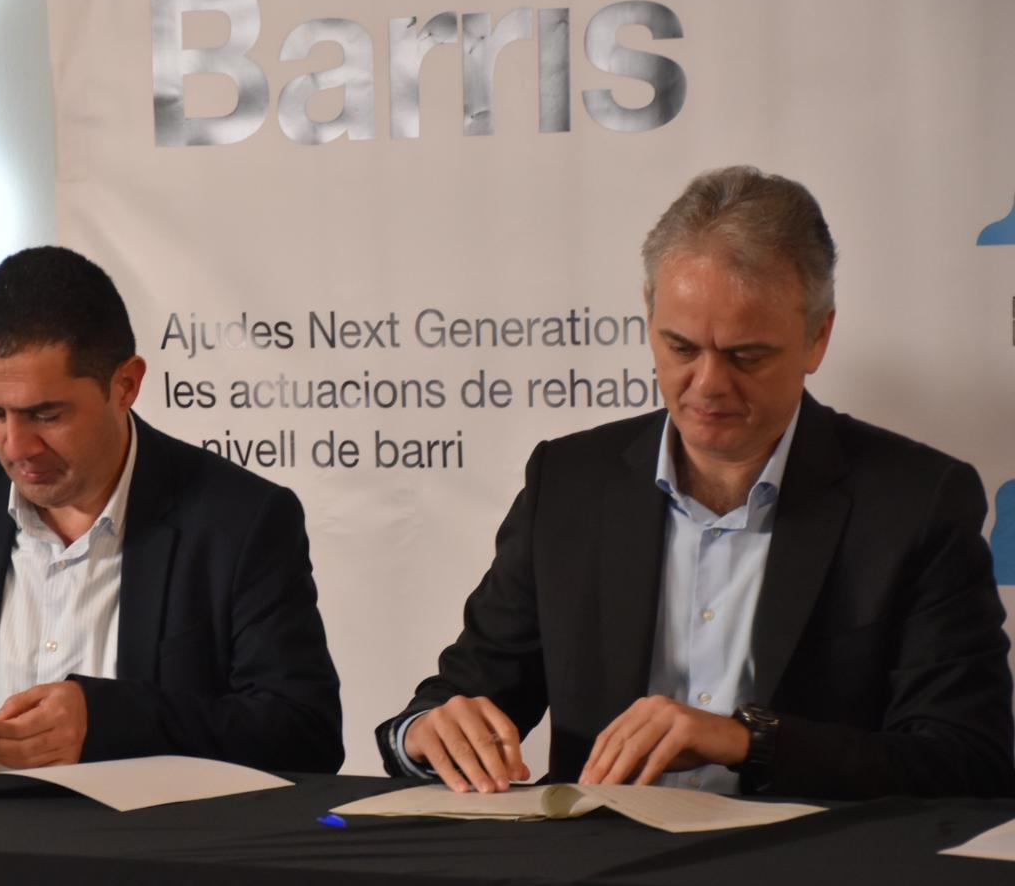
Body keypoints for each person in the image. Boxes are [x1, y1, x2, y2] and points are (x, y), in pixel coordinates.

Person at [378, 166, 1015, 799]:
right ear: (648, 316)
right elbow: (469, 691)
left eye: (746, 355)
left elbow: (967, 758)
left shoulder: (916, 502)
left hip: (806, 860)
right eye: (681, 348)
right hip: (596, 856)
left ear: (817, 338)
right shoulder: (569, 482)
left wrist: (749, 741)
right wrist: (426, 732)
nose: (708, 385)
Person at [0, 246, 343, 773]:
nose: (16, 447)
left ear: (125, 385)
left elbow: (303, 732)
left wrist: (107, 722)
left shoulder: (241, 521)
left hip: (152, 840)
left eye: (46, 415)